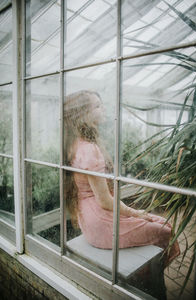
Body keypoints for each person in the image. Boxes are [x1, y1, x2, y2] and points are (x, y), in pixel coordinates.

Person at [63, 90, 180, 267]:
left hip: (86, 220)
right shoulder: (89, 150)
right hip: (100, 223)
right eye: (97, 106)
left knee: (159, 222)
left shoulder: (74, 143)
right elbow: (105, 201)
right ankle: (149, 282)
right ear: (83, 115)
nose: (103, 109)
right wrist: (136, 213)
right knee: (165, 228)